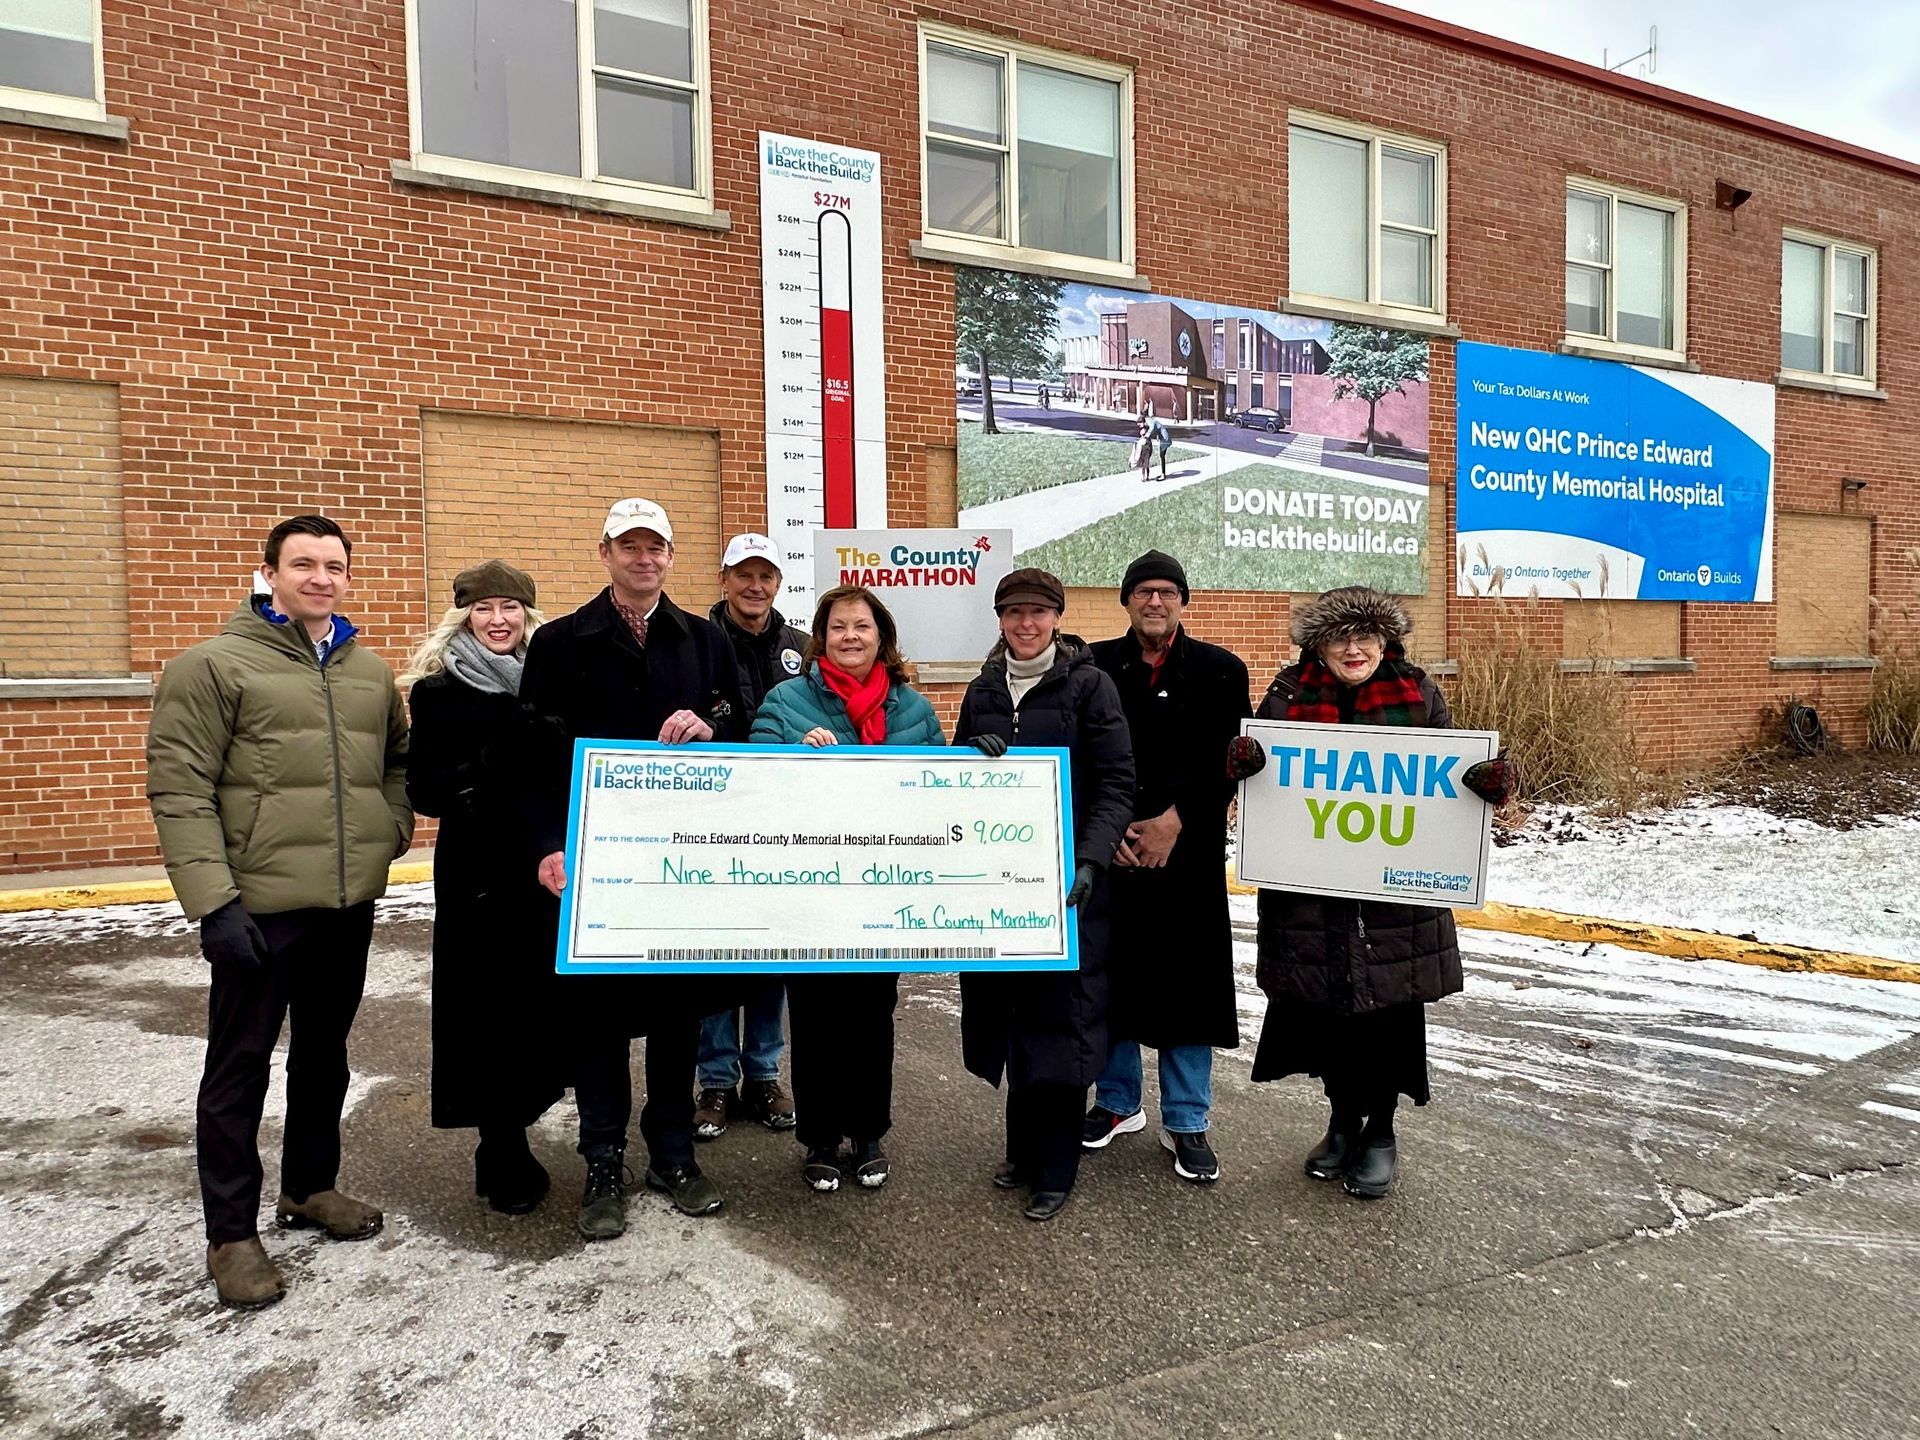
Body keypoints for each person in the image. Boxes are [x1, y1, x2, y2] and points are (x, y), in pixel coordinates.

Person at [146, 514, 412, 1310]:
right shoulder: (211, 668)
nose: (321, 577)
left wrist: (389, 829)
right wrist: (213, 903)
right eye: (304, 564)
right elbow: (180, 789)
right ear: (268, 572)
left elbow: (396, 762)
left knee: (324, 1056)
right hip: (255, 910)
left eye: (334, 565)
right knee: (238, 1070)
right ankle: (231, 1234)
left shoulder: (369, 673)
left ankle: (308, 1187)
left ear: (348, 577)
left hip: (344, 905)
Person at [1225, 587, 1511, 1199]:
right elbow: (1264, 773)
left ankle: (1380, 1132)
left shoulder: (1418, 693)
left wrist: (1487, 781)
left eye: (1366, 637)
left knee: (1387, 1015)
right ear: (1318, 644)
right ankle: (1339, 1122)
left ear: (1387, 642)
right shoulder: (1288, 693)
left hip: (1394, 899)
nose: (1354, 649)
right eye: (1339, 637)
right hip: (1312, 892)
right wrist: (1243, 764)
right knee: (1326, 1013)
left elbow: (1455, 779)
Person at [521, 498, 748, 1239]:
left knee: (679, 1019)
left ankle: (673, 1155)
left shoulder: (704, 639)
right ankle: (603, 1161)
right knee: (600, 1024)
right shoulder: (559, 643)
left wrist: (712, 726)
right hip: (599, 866)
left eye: (656, 547)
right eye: (630, 547)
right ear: (606, 554)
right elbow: (536, 760)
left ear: (670, 559)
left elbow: (742, 722)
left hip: (680, 866)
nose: (644, 558)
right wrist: (548, 845)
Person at [953, 569, 1134, 1221]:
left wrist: (1090, 860)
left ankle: (1056, 1167)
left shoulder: (1090, 686)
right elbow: (955, 783)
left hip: (1066, 893)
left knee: (1062, 1026)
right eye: (1013, 613)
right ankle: (1021, 1151)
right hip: (1002, 887)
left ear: (1057, 618)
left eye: (1037, 613)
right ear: (1000, 620)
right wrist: (974, 752)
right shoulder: (983, 690)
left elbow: (1117, 780)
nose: (1025, 624)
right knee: (1013, 1021)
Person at [749, 585, 944, 1192]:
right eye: (838, 627)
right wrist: (791, 755)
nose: (850, 637)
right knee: (814, 1014)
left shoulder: (913, 709)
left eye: (862, 626)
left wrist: (977, 762)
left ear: (882, 637)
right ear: (821, 637)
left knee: (870, 1013)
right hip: (812, 893)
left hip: (883, 895)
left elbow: (941, 787)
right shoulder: (787, 701)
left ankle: (867, 1132)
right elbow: (752, 780)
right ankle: (820, 1138)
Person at [403, 559, 562, 1215]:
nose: (497, 620)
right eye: (483, 608)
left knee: (535, 1009)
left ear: (528, 615)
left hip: (545, 867)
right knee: (486, 1013)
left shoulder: (549, 681)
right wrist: (487, 765)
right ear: (463, 616)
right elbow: (426, 789)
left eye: (510, 608)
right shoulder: (438, 692)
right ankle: (500, 1148)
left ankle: (528, 1122)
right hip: (479, 877)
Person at [1085, 551, 1250, 1184]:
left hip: (1189, 852)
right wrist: (1113, 831)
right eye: (1143, 592)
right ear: (1126, 601)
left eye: (1167, 592)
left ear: (1183, 601)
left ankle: (1187, 1120)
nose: (1155, 602)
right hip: (1115, 844)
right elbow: (1089, 752)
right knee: (1114, 981)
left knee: (1188, 991)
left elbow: (1229, 760)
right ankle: (1117, 1102)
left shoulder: (1220, 670)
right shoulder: (1094, 664)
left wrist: (1176, 821)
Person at [695, 532, 806, 1142]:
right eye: (744, 574)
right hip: (716, 820)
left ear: (777, 584)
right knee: (716, 952)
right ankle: (715, 1080)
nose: (755, 586)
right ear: (725, 579)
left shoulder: (802, 649)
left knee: (771, 951)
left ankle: (763, 1073)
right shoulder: (698, 641)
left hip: (784, 825)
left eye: (765, 575)